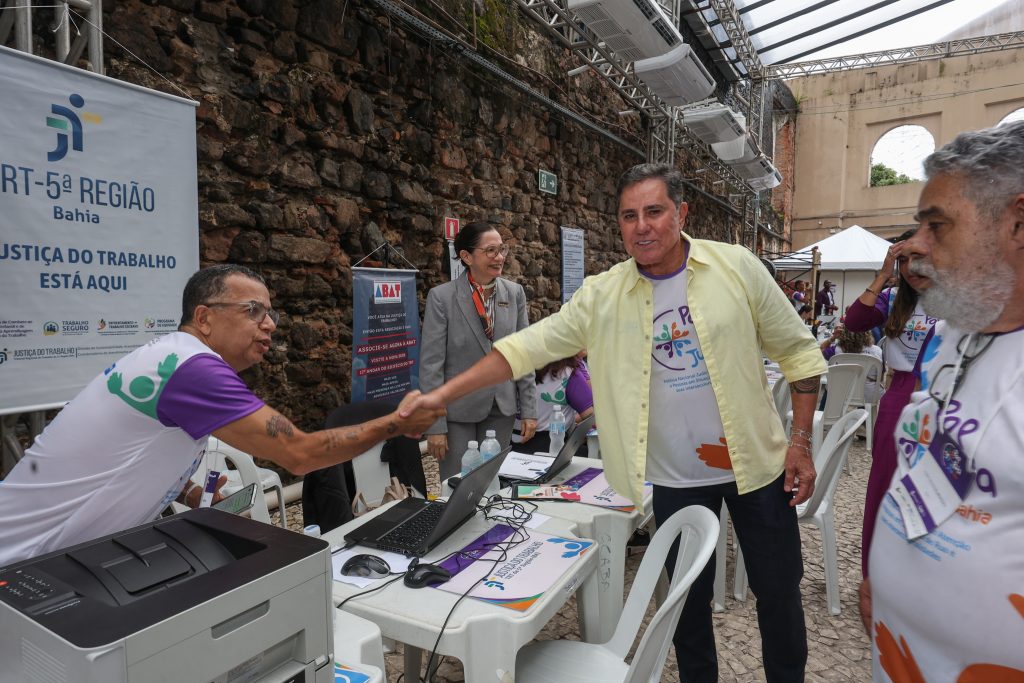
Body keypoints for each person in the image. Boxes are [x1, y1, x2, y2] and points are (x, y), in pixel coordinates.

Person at [403, 163, 826, 683]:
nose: (642, 226)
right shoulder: (602, 295)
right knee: (684, 607)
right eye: (630, 216)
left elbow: (801, 356)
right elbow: (523, 348)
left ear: (681, 213)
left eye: (655, 211)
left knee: (779, 592)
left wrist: (800, 442)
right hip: (674, 481)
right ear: (619, 225)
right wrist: (441, 394)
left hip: (758, 468)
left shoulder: (736, 267)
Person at [0, 265, 442, 567]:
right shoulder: (194, 370)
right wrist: (396, 423)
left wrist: (191, 491)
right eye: (253, 311)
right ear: (204, 318)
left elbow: (136, 445)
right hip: (25, 562)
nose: (269, 324)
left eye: (271, 313)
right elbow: (299, 454)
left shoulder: (174, 357)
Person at [859, 120, 1024, 681]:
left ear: (1019, 222)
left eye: (937, 225)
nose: (917, 246)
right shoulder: (956, 332)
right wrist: (881, 578)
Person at [843, 230, 935, 575]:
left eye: (920, 256)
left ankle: (920, 577)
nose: (912, 266)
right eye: (904, 258)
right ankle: (875, 574)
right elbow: (854, 321)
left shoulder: (958, 299)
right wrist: (883, 275)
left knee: (932, 490)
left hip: (944, 400)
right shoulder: (894, 297)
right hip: (899, 396)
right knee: (885, 486)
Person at [419, 221, 537, 481]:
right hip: (457, 412)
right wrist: (435, 425)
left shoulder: (514, 293)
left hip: (502, 408)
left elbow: (524, 353)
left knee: (492, 484)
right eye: (491, 251)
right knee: (457, 485)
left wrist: (529, 409)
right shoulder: (442, 298)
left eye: (502, 249)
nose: (500, 257)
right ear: (466, 256)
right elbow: (431, 366)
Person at [513, 352, 594, 455]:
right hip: (552, 445)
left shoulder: (514, 369)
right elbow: (590, 416)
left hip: (509, 444)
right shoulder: (568, 373)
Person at [819, 325, 884, 403]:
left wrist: (833, 337)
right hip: (870, 394)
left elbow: (822, 348)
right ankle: (866, 412)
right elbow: (880, 377)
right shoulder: (877, 351)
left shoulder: (837, 350)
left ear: (844, 333)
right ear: (867, 333)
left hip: (842, 392)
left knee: (830, 388)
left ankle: (824, 412)